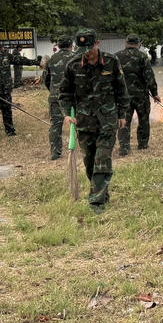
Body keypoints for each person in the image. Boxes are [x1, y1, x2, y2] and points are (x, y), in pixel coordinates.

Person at [59, 28, 128, 214]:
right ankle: (101, 193)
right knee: (90, 163)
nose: (87, 53)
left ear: (98, 43)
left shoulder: (112, 62)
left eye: (89, 47)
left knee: (102, 159)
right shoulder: (73, 65)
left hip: (107, 119)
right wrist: (66, 113)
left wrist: (122, 115)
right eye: (83, 49)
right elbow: (64, 93)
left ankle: (96, 203)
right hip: (84, 121)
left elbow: (121, 90)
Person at [116, 34, 160, 156]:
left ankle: (124, 148)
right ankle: (143, 145)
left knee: (124, 121)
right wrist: (155, 93)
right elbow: (149, 77)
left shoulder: (117, 56)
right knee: (144, 120)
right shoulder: (142, 56)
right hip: (141, 96)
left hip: (123, 97)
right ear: (138, 44)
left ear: (126, 43)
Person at [42, 37, 77, 160]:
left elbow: (45, 79)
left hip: (56, 97)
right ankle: (84, 148)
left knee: (55, 125)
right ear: (71, 45)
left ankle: (55, 152)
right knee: (80, 123)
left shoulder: (52, 59)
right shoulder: (77, 57)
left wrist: (54, 91)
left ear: (59, 45)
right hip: (74, 97)